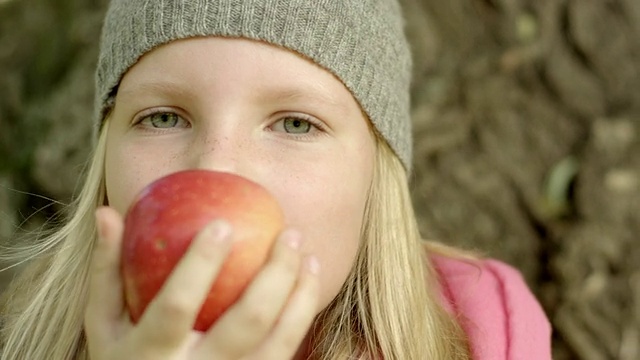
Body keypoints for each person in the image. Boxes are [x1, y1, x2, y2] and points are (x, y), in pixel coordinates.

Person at [0, 0, 552, 359]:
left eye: (295, 123)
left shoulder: (486, 330)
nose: (215, 169)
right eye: (163, 117)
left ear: (375, 175)